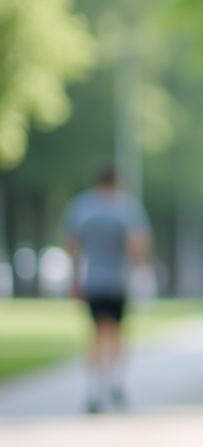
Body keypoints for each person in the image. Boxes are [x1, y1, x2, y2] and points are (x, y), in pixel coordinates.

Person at [63, 164, 151, 414]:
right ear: (116, 182)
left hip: (93, 280)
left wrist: (74, 278)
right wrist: (139, 270)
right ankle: (115, 381)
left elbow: (72, 244)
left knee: (96, 333)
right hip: (118, 281)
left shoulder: (81, 207)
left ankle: (93, 388)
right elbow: (138, 245)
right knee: (117, 333)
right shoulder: (126, 208)